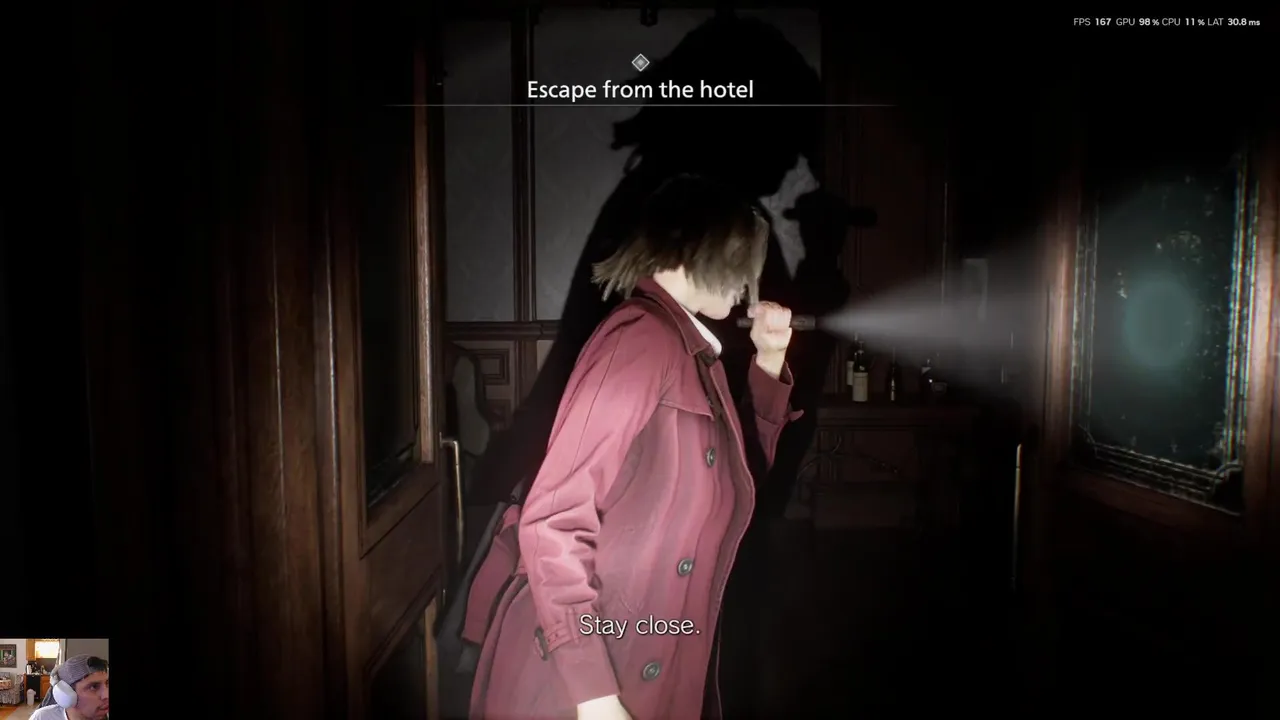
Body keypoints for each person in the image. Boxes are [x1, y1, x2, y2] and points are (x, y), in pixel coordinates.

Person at [466, 174, 803, 720]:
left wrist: (768, 360)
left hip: (654, 651)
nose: (749, 283)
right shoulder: (641, 342)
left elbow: (740, 482)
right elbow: (553, 522)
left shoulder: (689, 350)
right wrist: (594, 694)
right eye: (743, 261)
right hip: (584, 679)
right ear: (698, 247)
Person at [31, 655, 109, 720]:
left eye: (107, 684)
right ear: (67, 694)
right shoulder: (42, 717)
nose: (107, 695)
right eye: (94, 687)